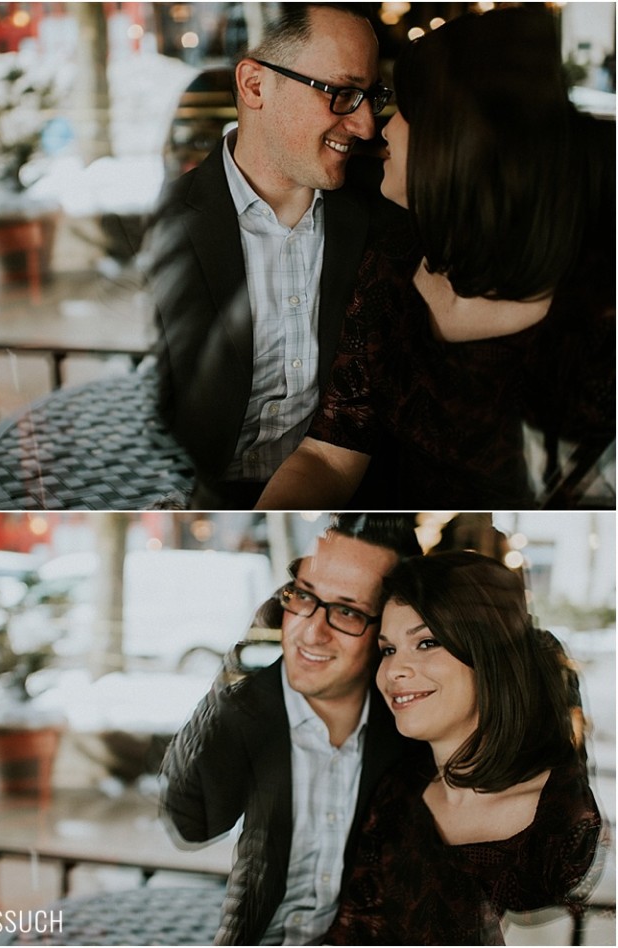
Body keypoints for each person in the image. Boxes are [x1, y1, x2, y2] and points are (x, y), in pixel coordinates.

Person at [256, 7, 615, 510]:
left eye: (404, 110)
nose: (379, 130)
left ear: (456, 141)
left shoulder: (599, 321)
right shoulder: (395, 258)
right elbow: (329, 454)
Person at [145, 4, 404, 508]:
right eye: (343, 94)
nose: (367, 125)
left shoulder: (386, 212)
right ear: (255, 86)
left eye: (372, 96)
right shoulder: (161, 229)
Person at [159, 514, 422, 945]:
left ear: (388, 632)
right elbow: (189, 822)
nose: (311, 632)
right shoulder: (253, 706)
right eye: (304, 596)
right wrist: (228, 686)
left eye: (346, 611)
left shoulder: (410, 726)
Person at [325, 551, 604, 946]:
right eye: (388, 650)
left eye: (426, 642)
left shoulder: (562, 821)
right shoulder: (398, 793)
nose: (394, 671)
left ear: (487, 656)